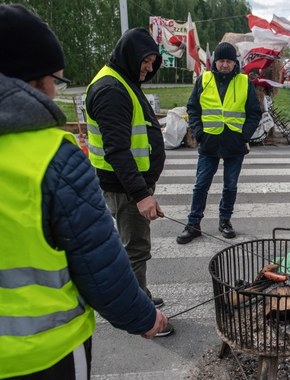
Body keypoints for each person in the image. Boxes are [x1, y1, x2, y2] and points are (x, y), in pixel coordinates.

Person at [0, 4, 169, 378]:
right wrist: (141, 316)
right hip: (43, 355)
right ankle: (143, 295)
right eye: (55, 81)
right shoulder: (51, 156)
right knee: (134, 247)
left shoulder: (121, 82)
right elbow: (98, 261)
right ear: (29, 80)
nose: (53, 91)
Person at [84, 28, 173, 335]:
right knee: (135, 248)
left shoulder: (122, 80)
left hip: (130, 185)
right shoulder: (111, 90)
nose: (149, 68)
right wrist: (141, 195)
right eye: (145, 61)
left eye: (152, 62)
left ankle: (142, 296)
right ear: (130, 55)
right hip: (125, 188)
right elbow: (118, 150)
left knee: (134, 246)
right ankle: (141, 315)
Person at [176, 42, 261, 244]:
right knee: (200, 185)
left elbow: (254, 112)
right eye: (221, 61)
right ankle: (193, 223)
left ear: (234, 63)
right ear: (215, 62)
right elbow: (193, 108)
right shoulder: (204, 80)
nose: (224, 64)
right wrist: (199, 132)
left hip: (235, 143)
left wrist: (244, 135)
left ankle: (225, 221)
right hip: (209, 142)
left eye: (228, 61)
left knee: (230, 186)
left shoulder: (244, 82)